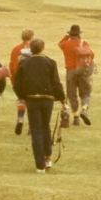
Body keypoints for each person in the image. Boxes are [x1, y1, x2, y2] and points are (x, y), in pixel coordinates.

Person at [12, 38, 66, 173]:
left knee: (35, 130)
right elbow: (56, 83)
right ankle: (48, 157)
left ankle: (39, 164)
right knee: (45, 127)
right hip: (47, 99)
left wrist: (22, 96)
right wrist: (63, 100)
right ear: (43, 48)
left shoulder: (25, 63)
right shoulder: (50, 63)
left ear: (31, 49)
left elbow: (17, 83)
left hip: (32, 99)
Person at [58, 24, 94, 126]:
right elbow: (92, 55)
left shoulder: (65, 44)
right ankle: (84, 109)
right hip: (83, 71)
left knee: (72, 95)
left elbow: (60, 43)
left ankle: (76, 117)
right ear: (79, 34)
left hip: (70, 72)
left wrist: (66, 35)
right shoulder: (83, 43)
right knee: (85, 93)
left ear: (70, 34)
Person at [9, 28, 35, 135]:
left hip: (18, 80)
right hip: (32, 80)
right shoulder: (34, 48)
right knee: (32, 103)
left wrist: (13, 81)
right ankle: (31, 127)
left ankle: (20, 118)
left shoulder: (16, 49)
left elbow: (11, 66)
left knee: (21, 100)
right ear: (32, 37)